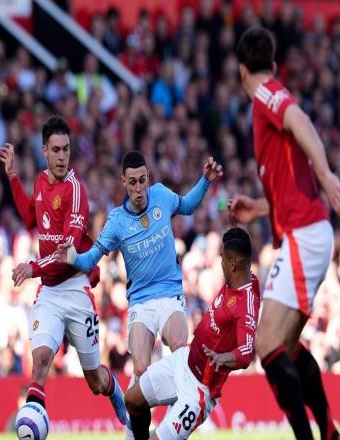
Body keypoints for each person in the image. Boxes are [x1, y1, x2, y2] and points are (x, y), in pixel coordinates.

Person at [229, 27, 340, 440]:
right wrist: (260, 207)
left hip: (304, 233)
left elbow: (299, 118)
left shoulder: (265, 93)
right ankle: (330, 433)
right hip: (305, 231)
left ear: (242, 70)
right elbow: (289, 183)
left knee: (266, 343)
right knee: (288, 347)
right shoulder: (264, 104)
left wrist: (326, 174)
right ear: (274, 63)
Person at [54, 150, 222, 438]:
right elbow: (90, 259)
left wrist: (205, 181)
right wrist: (72, 258)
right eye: (132, 182)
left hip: (169, 294)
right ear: (124, 182)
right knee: (142, 368)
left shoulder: (162, 196)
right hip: (141, 303)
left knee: (181, 349)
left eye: (142, 180)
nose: (139, 188)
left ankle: (182, 416)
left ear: (148, 178)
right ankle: (135, 431)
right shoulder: (117, 221)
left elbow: (187, 205)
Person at [0, 114, 126, 428]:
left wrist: (33, 267)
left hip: (76, 289)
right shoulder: (41, 181)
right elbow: (31, 217)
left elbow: (68, 254)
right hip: (50, 293)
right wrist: (12, 176)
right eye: (55, 149)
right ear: (44, 150)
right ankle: (33, 426)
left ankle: (115, 390)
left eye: (66, 149)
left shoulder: (76, 192)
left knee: (95, 381)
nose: (61, 156)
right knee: (40, 361)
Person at [124, 227, 260, 439]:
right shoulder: (240, 278)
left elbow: (246, 353)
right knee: (132, 400)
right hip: (184, 360)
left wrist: (224, 358)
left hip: (198, 391)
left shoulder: (245, 306)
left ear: (233, 264)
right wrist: (235, 228)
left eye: (223, 259)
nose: (220, 264)